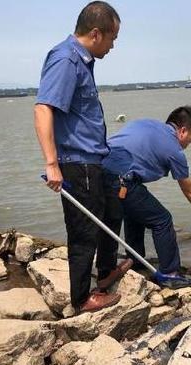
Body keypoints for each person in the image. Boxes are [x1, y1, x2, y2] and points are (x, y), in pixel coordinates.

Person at [34, 1, 128, 314]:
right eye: (113, 38)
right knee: (83, 232)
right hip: (77, 163)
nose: (113, 46)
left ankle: (104, 274)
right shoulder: (65, 59)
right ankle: (81, 299)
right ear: (96, 33)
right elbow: (43, 108)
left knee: (106, 215)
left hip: (92, 161)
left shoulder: (82, 61)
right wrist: (52, 164)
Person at [102, 106, 191, 288]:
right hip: (120, 180)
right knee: (162, 220)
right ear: (183, 130)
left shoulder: (146, 123)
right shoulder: (174, 149)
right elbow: (190, 189)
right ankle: (170, 274)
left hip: (99, 171)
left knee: (135, 213)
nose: (190, 142)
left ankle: (135, 261)